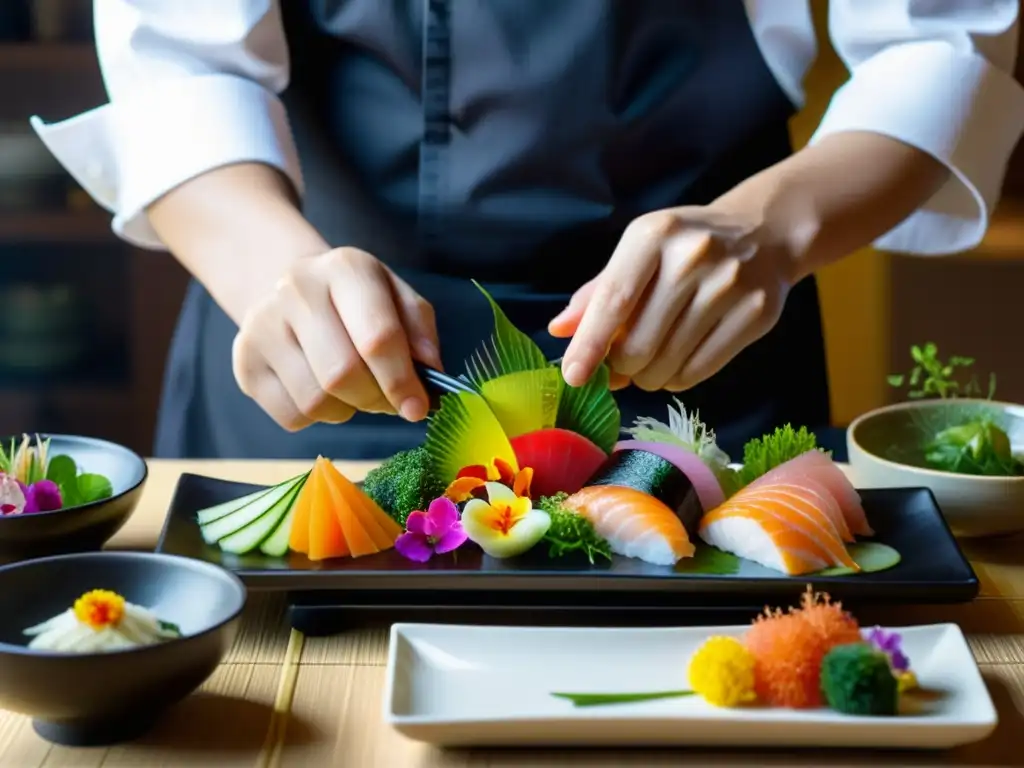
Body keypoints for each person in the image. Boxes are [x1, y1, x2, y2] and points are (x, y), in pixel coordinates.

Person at [32, 1, 1024, 460]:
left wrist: (760, 233)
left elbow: (936, 45)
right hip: (318, 356)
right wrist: (277, 275)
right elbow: (181, 64)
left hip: (696, 362)